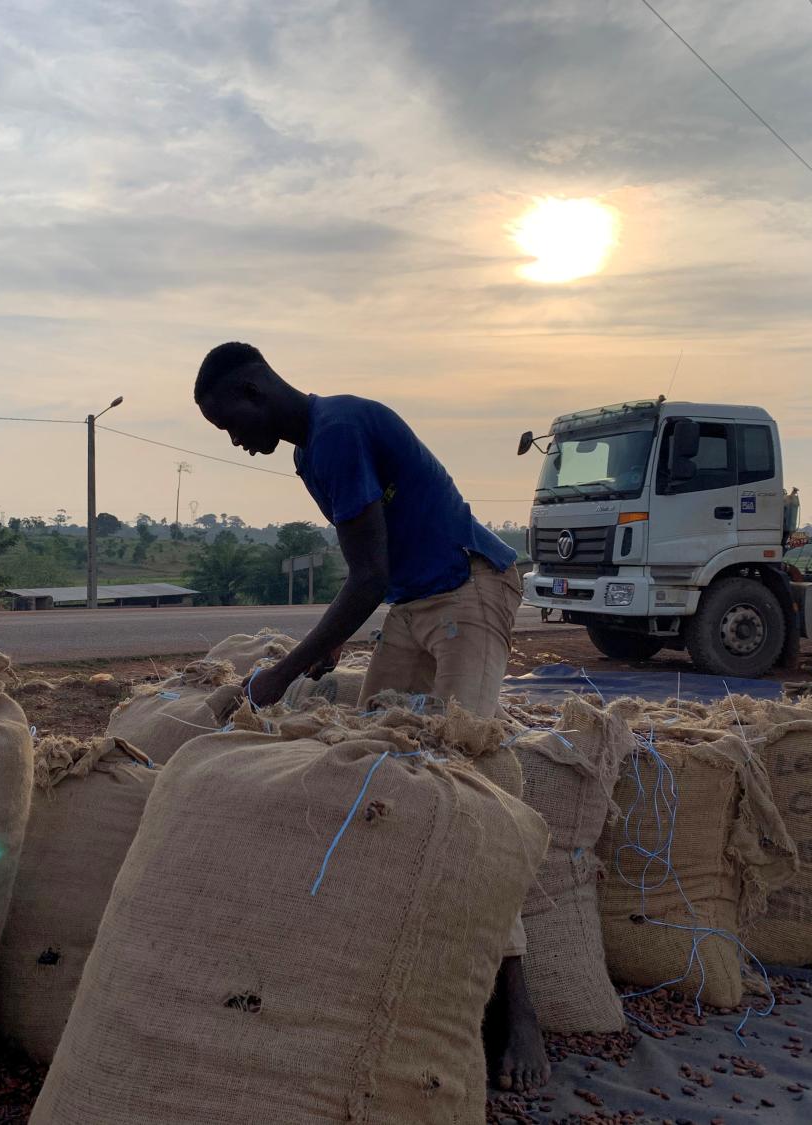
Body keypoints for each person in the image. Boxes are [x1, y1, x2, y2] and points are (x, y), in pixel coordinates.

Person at [194, 340, 550, 1091]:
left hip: (467, 590)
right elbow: (375, 574)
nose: (237, 443)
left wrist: (278, 677)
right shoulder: (310, 455)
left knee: (467, 778)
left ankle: (519, 1011)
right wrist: (320, 654)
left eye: (231, 423)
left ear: (255, 387)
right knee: (373, 762)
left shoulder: (339, 431)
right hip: (412, 604)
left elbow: (366, 576)